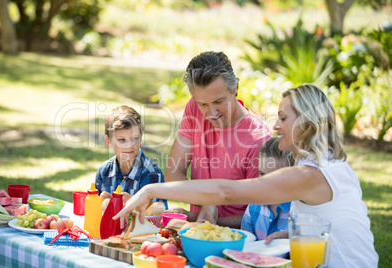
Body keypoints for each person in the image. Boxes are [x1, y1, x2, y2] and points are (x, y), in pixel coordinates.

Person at [113, 85, 378, 268]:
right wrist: (294, 233)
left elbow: (225, 192)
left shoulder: (310, 175)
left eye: (283, 118)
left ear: (306, 123)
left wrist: (150, 191)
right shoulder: (333, 164)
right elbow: (339, 222)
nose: (275, 126)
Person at [164, 51, 272, 227]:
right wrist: (206, 202)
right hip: (201, 235)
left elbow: (260, 217)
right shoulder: (194, 108)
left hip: (240, 240)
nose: (211, 113)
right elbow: (173, 173)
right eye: (203, 104)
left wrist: (202, 218)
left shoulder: (258, 139)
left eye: (219, 101)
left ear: (235, 88)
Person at [95, 105, 167, 208]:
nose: (129, 146)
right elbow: (97, 210)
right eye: (122, 140)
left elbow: (154, 217)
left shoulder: (151, 173)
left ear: (141, 138)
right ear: (108, 141)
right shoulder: (104, 171)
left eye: (134, 138)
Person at [241, 137, 294, 241]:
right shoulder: (253, 206)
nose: (266, 183)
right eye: (262, 174)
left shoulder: (299, 209)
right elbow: (246, 242)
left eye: (275, 177)